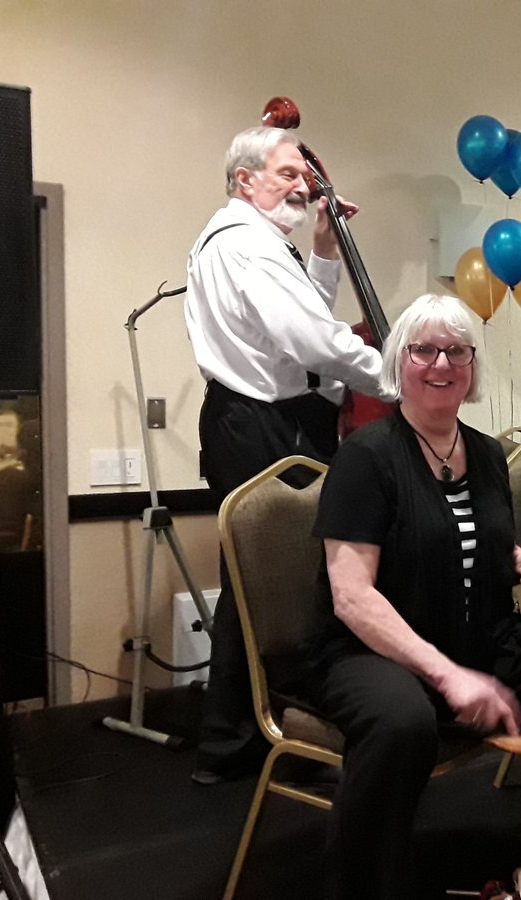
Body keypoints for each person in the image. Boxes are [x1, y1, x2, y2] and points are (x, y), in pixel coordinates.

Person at [308, 294, 521, 898]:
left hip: (479, 634)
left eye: (456, 350)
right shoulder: (365, 457)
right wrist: (447, 675)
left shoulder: (485, 454)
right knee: (402, 722)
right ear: (398, 363)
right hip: (371, 651)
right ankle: (367, 884)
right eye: (423, 349)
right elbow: (352, 597)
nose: (441, 363)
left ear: (472, 366)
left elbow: (471, 544)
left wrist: (520, 562)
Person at [184, 126, 385, 783]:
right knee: (273, 581)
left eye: (304, 175)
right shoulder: (247, 246)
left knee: (259, 580)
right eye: (286, 174)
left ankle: (233, 737)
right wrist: (396, 373)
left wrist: (325, 250)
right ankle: (246, 735)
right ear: (245, 180)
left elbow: (304, 317)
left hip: (262, 421)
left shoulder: (257, 244)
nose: (302, 186)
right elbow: (315, 340)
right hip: (261, 424)